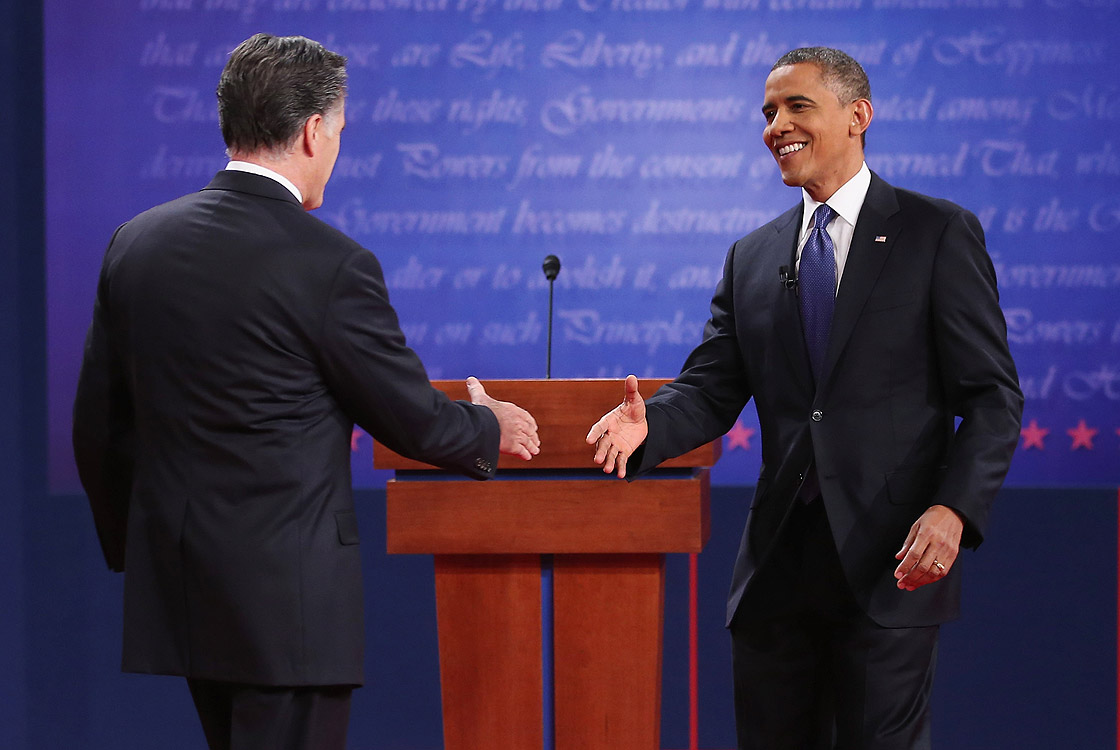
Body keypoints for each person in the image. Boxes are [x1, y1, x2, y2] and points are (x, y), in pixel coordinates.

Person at [72, 33, 540, 750]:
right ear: (313, 130)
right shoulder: (330, 264)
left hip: (186, 589)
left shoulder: (137, 243)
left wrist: (141, 548)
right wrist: (487, 425)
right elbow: (409, 418)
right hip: (286, 610)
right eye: (342, 132)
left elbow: (99, 428)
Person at [586, 47, 1022, 749]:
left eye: (796, 106)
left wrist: (953, 508)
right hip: (777, 574)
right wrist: (651, 427)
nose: (775, 126)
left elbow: (994, 397)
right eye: (767, 113)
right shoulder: (752, 256)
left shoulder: (935, 233)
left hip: (890, 564)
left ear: (858, 117)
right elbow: (710, 388)